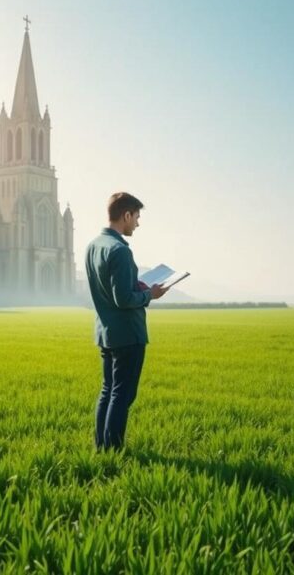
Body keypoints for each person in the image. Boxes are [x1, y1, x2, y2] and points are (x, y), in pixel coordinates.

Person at [85, 192, 167, 451]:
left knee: (108, 391)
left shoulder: (93, 246)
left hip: (106, 332)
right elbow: (123, 299)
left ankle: (102, 447)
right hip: (127, 334)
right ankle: (114, 450)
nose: (138, 224)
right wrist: (149, 294)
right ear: (126, 215)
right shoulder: (120, 250)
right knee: (123, 394)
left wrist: (137, 286)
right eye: (137, 217)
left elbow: (110, 290)